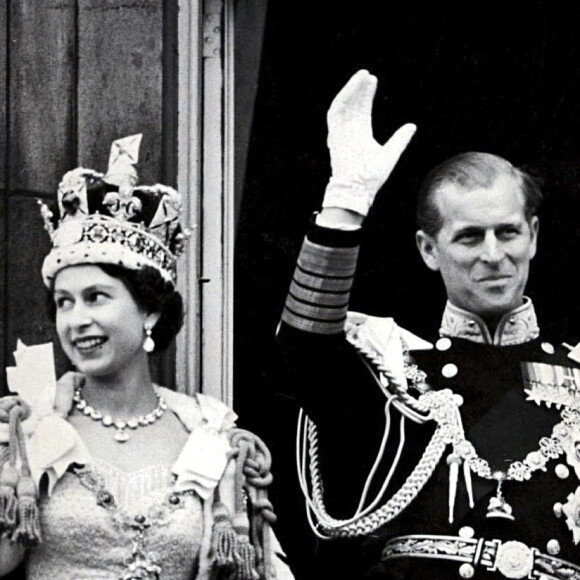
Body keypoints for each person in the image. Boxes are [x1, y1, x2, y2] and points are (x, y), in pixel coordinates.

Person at [275, 70, 580, 579]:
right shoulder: (396, 369)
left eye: (507, 232)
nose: (493, 254)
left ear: (533, 236)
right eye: (469, 237)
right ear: (428, 249)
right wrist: (344, 203)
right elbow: (298, 362)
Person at [0, 135, 293, 579]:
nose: (76, 320)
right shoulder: (30, 431)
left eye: (96, 297)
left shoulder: (209, 435)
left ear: (150, 309)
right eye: (64, 302)